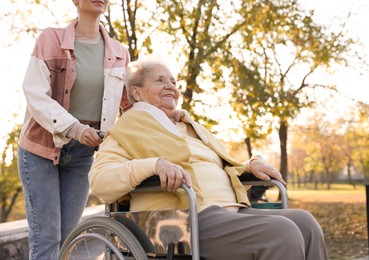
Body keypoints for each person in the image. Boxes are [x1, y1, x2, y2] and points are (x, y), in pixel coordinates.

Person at [89, 57, 329, 260]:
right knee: (282, 232)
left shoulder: (190, 126)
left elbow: (219, 168)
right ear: (136, 92)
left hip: (232, 211)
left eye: (173, 81)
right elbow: (100, 181)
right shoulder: (127, 130)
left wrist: (249, 166)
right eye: (159, 80)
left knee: (305, 223)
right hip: (185, 218)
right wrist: (153, 165)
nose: (170, 86)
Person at [17, 1, 131, 259]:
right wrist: (76, 129)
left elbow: (130, 105)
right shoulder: (51, 39)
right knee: (47, 236)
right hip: (41, 150)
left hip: (83, 154)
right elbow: (35, 94)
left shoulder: (118, 52)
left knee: (70, 237)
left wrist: (167, 113)